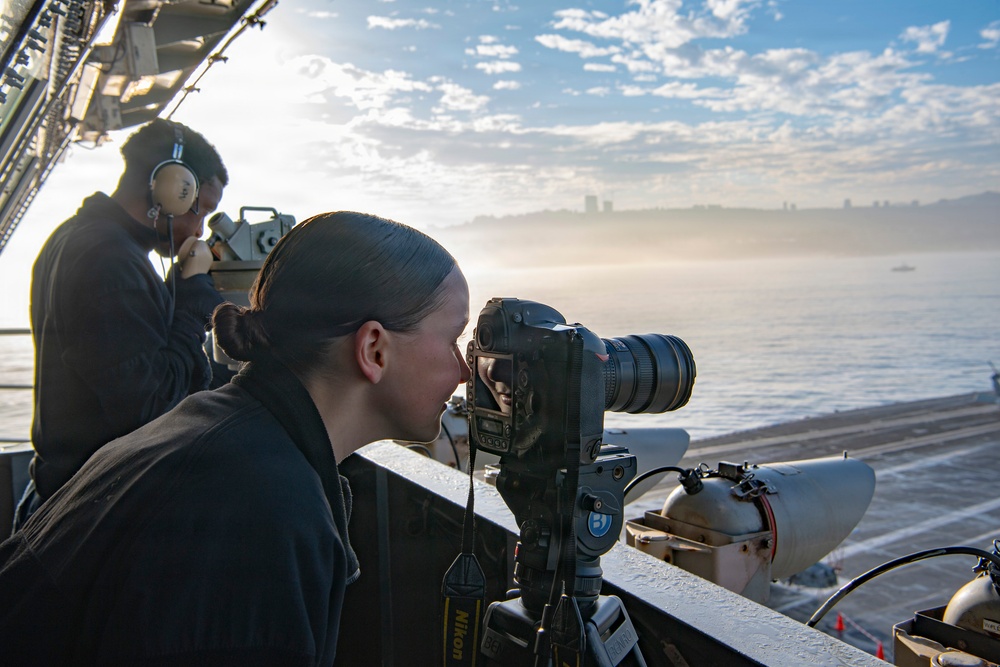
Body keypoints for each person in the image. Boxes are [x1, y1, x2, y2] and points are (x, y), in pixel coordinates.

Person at [0, 211, 472, 666]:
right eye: (453, 339)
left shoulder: (217, 431)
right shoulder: (261, 513)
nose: (465, 371)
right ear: (373, 349)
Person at [14, 118, 229, 532]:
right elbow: (150, 406)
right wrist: (189, 306)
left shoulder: (78, 237)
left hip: (62, 493)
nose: (200, 229)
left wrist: (174, 294)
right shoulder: (109, 259)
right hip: (89, 515)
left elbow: (118, 358)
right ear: (172, 189)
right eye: (201, 209)